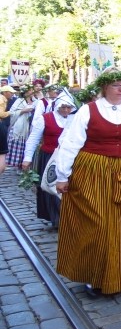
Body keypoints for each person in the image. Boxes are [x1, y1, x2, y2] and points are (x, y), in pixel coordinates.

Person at [54, 69, 121, 298]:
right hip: (91, 172)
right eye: (116, 85)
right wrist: (63, 175)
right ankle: (94, 276)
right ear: (104, 87)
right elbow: (71, 143)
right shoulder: (88, 110)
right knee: (98, 224)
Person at [22, 91, 78, 228]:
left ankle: (70, 217)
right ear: (57, 106)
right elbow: (33, 138)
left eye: (68, 107)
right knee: (51, 188)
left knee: (70, 188)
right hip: (48, 158)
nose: (65, 110)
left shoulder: (75, 119)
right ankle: (57, 219)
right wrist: (27, 158)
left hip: (70, 158)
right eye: (63, 107)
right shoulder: (45, 118)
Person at [6, 85, 36, 169]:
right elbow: (12, 112)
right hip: (19, 127)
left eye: (31, 90)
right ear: (25, 92)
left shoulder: (35, 101)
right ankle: (12, 164)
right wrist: (23, 111)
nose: (30, 92)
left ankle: (22, 164)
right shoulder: (19, 101)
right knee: (17, 143)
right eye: (29, 91)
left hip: (30, 126)